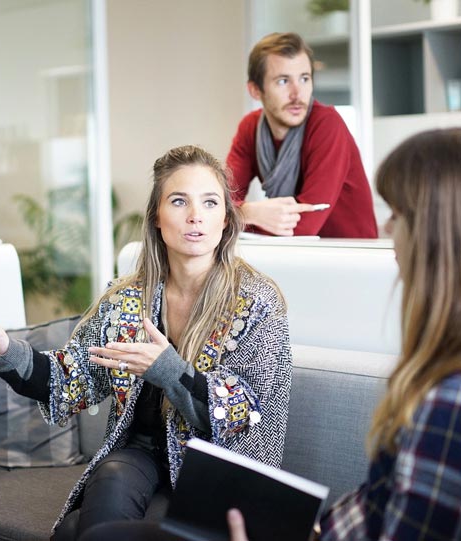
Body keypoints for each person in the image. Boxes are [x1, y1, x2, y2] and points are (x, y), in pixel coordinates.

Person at [0, 145, 292, 539]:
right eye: (179, 201)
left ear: (226, 219)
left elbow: (243, 415)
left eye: (210, 203)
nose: (195, 216)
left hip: (218, 467)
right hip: (141, 454)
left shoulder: (257, 302)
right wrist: (6, 353)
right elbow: (69, 378)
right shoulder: (127, 299)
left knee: (76, 529)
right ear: (157, 218)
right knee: (109, 480)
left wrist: (168, 370)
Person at [193, 128, 461, 541]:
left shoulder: (446, 404)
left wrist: (170, 371)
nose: (387, 229)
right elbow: (375, 506)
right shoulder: (130, 298)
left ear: (436, 233)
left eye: (398, 213)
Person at [226, 32, 377, 238]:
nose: (297, 94)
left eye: (304, 79)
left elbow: (304, 227)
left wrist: (237, 216)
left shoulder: (327, 124)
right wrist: (248, 212)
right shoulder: (250, 128)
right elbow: (219, 203)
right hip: (295, 256)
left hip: (350, 258)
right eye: (282, 81)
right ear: (255, 90)